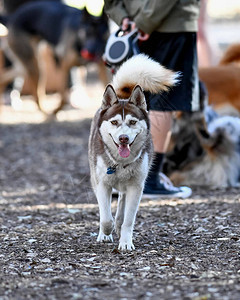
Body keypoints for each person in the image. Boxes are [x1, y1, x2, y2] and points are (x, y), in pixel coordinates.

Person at [104, 0, 201, 198]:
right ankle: (149, 180)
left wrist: (124, 17)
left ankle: (123, 176)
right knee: (163, 100)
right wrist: (144, 21)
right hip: (169, 24)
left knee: (131, 96)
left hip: (131, 26)